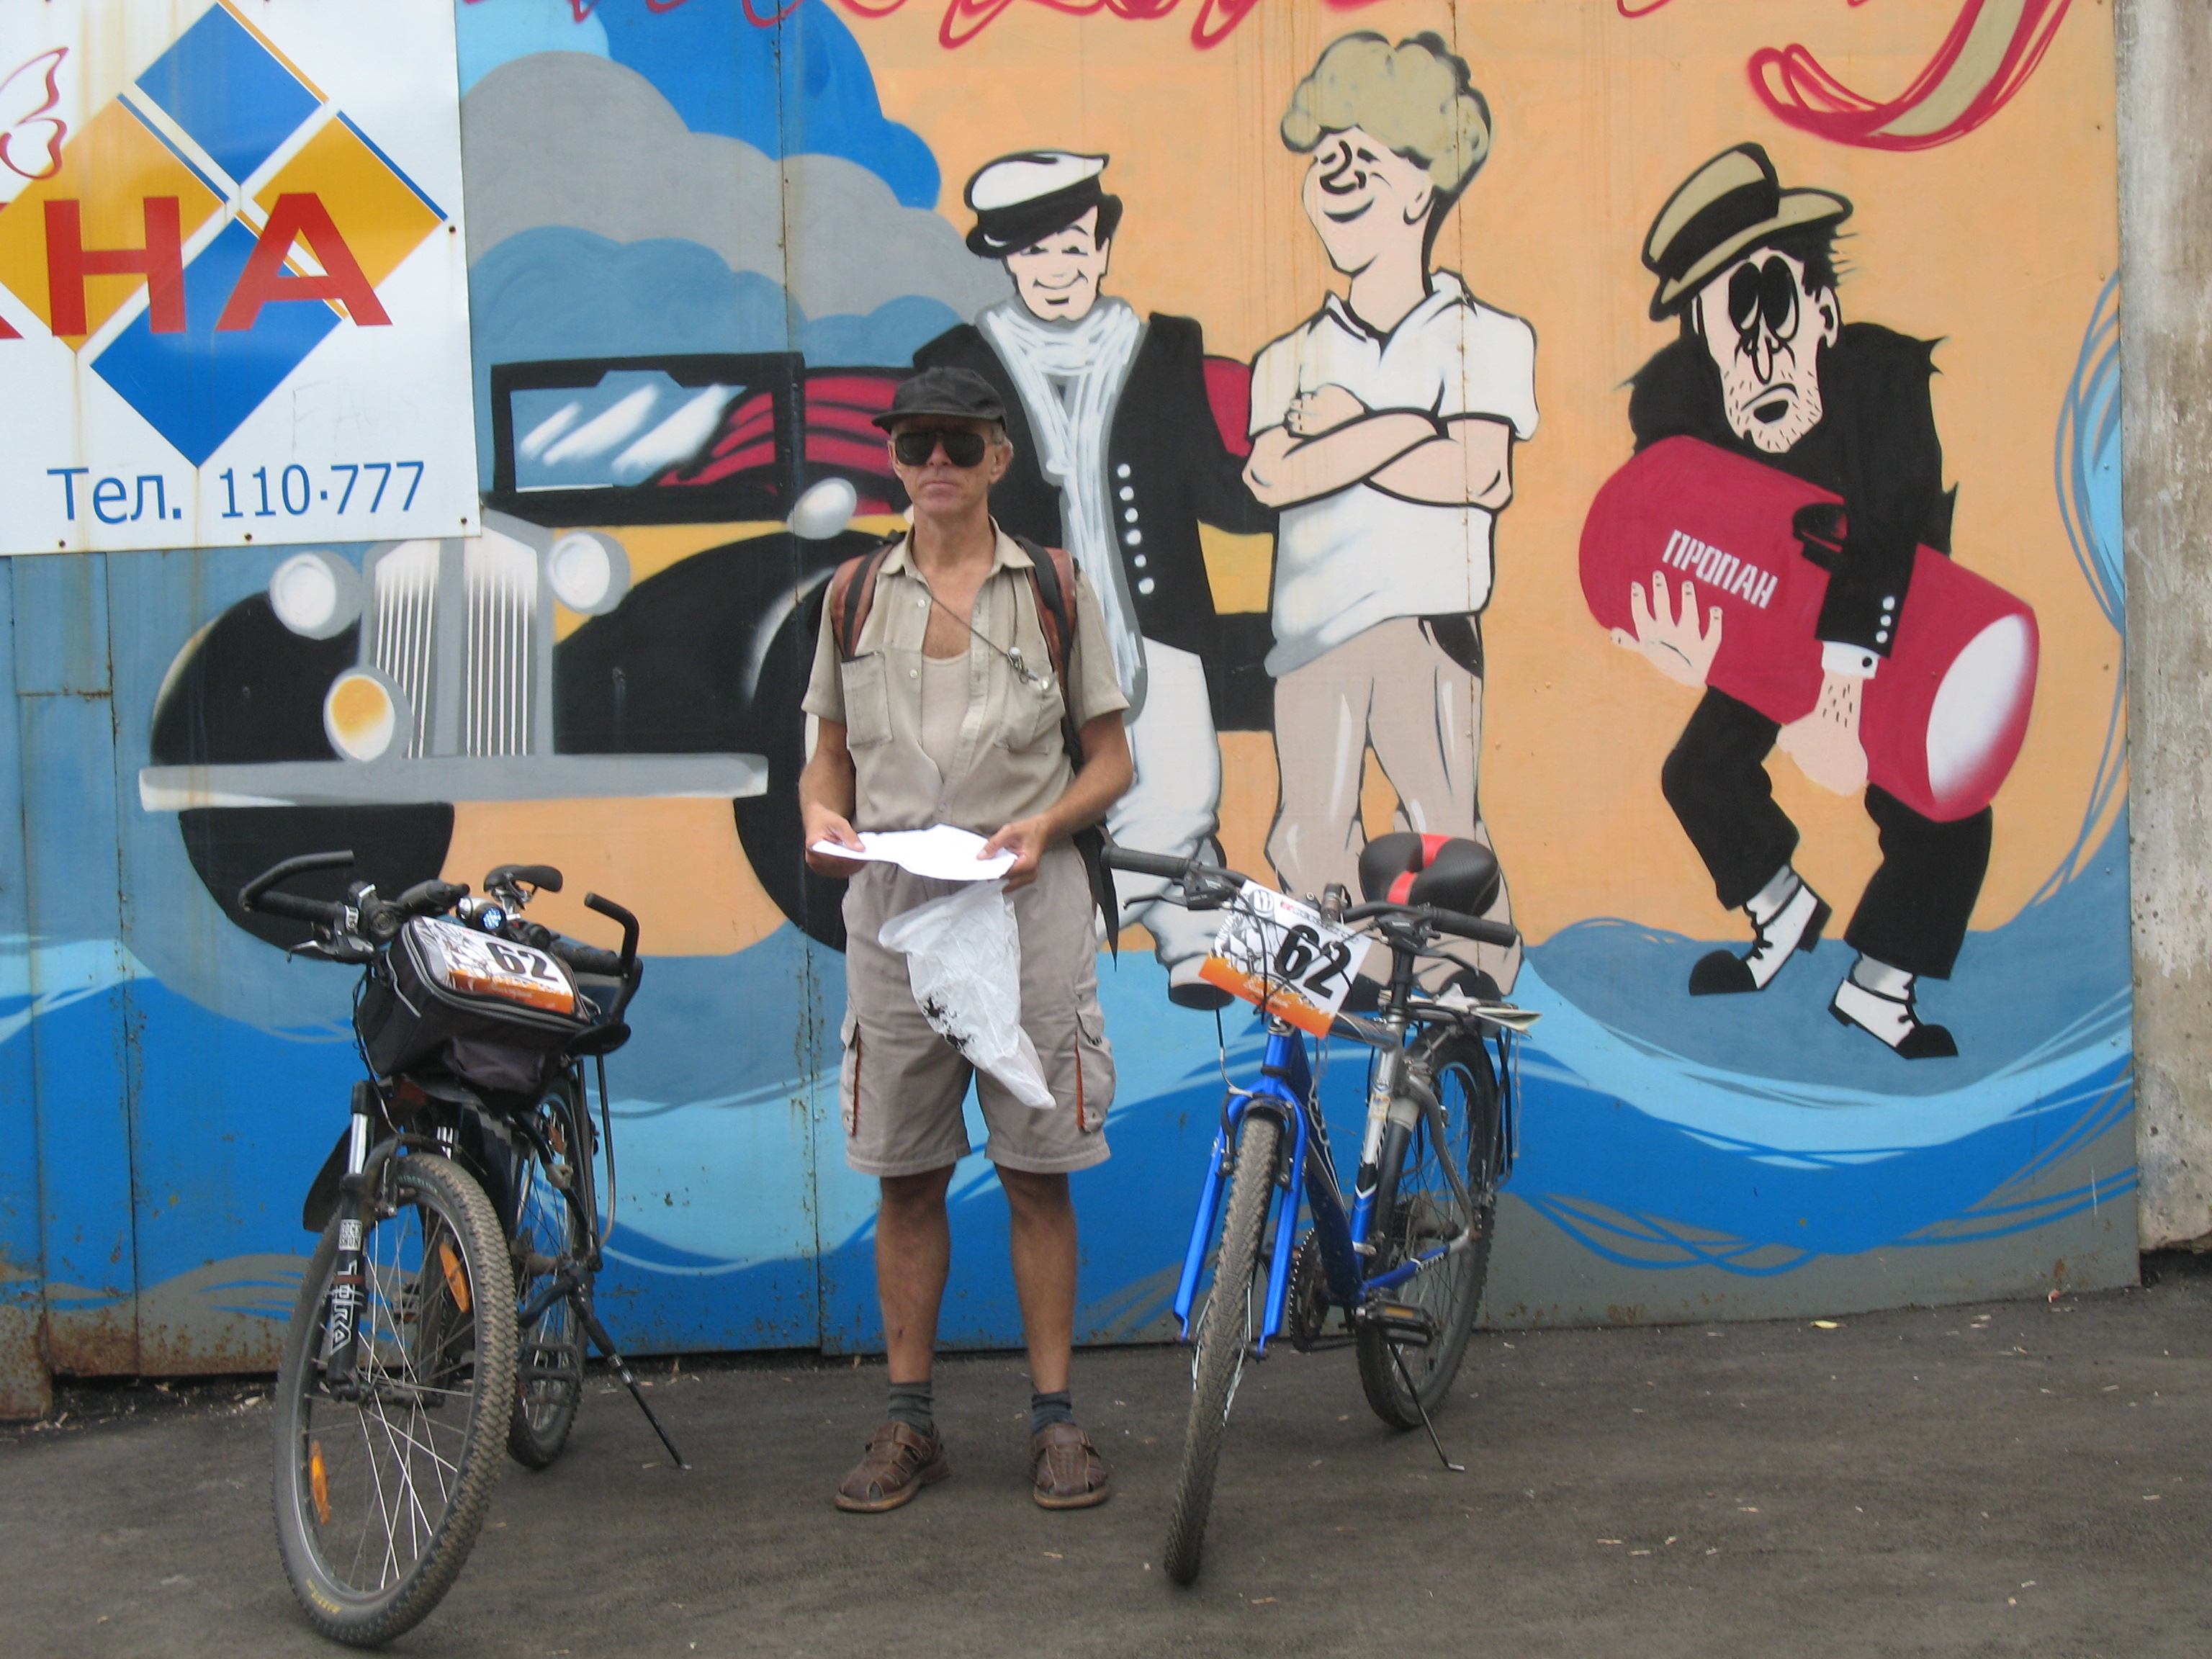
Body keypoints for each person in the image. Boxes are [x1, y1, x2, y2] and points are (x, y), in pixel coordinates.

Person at [799, 365, 1133, 1511]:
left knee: (1039, 1175)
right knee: (906, 1177)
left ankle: (1055, 1422)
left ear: (999, 455)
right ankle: (909, 1423)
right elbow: (825, 758)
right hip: (896, 915)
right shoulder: (852, 595)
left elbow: (1112, 760)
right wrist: (819, 819)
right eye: (913, 443)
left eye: (955, 440)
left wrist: (1047, 825)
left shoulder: (1055, 588)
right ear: (894, 459)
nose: (933, 461)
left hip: (1028, 908)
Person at [1613, 143, 1990, 1058]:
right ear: (1700, 339)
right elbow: (1660, 540)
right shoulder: (1675, 410)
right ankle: (1780, 912)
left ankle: (1880, 986)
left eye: (1775, 305)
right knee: (1698, 774)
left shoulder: (1885, 383)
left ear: (1822, 309)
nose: (1760, 350)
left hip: (1884, 622)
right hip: (1766, 627)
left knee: (1946, 809)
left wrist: (1847, 683)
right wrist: (1681, 647)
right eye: (1730, 322)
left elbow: (1901, 540)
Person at [915, 151, 1274, 1007]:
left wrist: (1286, 475)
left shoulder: (1164, 350)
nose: (1058, 269)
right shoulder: (958, 363)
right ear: (1008, 261)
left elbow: (1209, 484)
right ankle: (1100, 933)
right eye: (1036, 251)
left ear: (1104, 249)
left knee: (1181, 789)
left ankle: (1187, 936)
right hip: (1021, 634)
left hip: (1156, 623)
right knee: (1043, 793)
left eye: (1075, 247)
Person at [1244, 32, 1536, 992]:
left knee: (1442, 827)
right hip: (1310, 635)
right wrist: (1405, 426)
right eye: (1324, 155)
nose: (1336, 174)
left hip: (1424, 624)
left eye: (1362, 155)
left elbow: (1478, 474)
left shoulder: (1483, 337)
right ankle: (1345, 1001)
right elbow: (1273, 477)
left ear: (1422, 186)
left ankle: (1473, 983)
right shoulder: (1286, 358)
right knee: (1307, 836)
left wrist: (1350, 426)